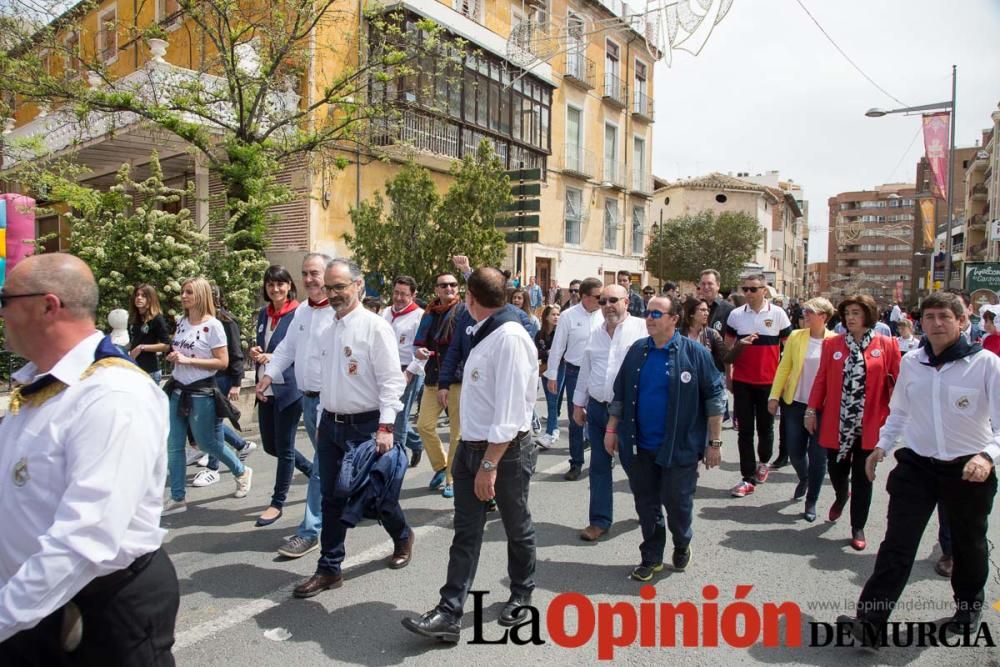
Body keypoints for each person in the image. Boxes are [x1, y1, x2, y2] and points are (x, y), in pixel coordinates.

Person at [0, 254, 179, 664]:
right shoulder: (40, 386)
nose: (2, 312)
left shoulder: (111, 395)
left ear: (48, 305)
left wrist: (5, 615)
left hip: (98, 614)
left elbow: (87, 538)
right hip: (35, 603)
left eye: (5, 299)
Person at [838, 291, 999, 644]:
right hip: (918, 468)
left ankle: (968, 605)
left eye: (945, 317)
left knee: (967, 543)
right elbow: (900, 412)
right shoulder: (913, 362)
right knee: (896, 545)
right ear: (920, 323)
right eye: (930, 317)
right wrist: (880, 446)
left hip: (968, 470)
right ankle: (870, 622)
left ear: (961, 321)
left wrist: (986, 456)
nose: (937, 324)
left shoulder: (986, 364)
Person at [402, 268, 538, 642]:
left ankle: (521, 590)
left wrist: (489, 466)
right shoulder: (483, 329)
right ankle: (449, 613)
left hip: (502, 454)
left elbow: (510, 416)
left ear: (470, 297)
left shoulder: (509, 338)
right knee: (465, 532)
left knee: (515, 523)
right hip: (470, 447)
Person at [292, 258, 411, 599]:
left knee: (377, 497)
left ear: (358, 286)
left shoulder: (375, 328)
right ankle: (329, 568)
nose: (333, 294)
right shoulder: (328, 328)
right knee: (331, 497)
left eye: (340, 287)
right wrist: (321, 422)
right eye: (328, 288)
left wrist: (386, 427)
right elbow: (326, 379)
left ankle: (402, 536)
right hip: (330, 425)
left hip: (367, 427)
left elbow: (391, 383)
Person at [605, 294, 725, 581]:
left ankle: (682, 541)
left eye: (657, 314)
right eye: (648, 313)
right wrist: (611, 429)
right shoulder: (637, 351)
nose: (649, 318)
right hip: (640, 445)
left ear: (674, 319)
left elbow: (715, 398)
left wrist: (714, 443)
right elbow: (620, 395)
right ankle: (652, 556)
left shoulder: (695, 354)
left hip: (680, 447)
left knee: (677, 503)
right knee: (646, 503)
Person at [805, 294, 900, 551]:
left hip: (870, 424)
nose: (851, 318)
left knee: (863, 477)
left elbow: (897, 385)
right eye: (847, 314)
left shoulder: (887, 344)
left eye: (856, 313)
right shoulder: (833, 344)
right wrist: (811, 410)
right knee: (836, 471)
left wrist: (897, 420)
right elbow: (822, 380)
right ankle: (839, 495)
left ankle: (858, 525)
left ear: (868, 315)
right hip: (838, 422)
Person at [256, 253, 334, 559]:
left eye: (315, 273)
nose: (309, 279)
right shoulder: (302, 312)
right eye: (305, 274)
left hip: (338, 404)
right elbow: (287, 348)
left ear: (328, 276)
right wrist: (270, 375)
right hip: (310, 401)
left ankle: (310, 530)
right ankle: (318, 526)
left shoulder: (342, 313)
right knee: (325, 466)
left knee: (328, 467)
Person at [162, 277, 252, 514]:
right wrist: (174, 356)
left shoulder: (214, 326)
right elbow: (179, 350)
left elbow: (222, 362)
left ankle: (241, 471)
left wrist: (188, 360)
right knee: (174, 445)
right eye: (182, 292)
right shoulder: (182, 322)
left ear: (201, 295)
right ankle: (178, 497)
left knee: (206, 443)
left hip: (201, 392)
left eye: (189, 292)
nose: (183, 296)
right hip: (178, 388)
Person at [572, 284, 648, 541]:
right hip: (597, 409)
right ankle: (599, 521)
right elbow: (586, 369)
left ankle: (647, 508)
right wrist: (578, 403)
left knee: (632, 464)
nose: (607, 306)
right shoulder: (596, 332)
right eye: (603, 301)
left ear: (626, 301)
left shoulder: (641, 329)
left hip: (629, 413)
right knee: (599, 466)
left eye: (613, 300)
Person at [248, 265, 310, 528]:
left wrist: (273, 357)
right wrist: (257, 352)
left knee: (284, 448)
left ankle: (277, 503)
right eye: (270, 284)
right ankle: (313, 470)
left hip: (289, 389)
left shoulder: (299, 314)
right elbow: (266, 344)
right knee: (271, 446)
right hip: (266, 387)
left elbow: (300, 351)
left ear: (289, 286)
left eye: (280, 284)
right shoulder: (264, 314)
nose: (275, 289)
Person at [767, 297, 837, 522]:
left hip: (823, 408)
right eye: (804, 311)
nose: (804, 315)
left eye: (810, 312)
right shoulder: (796, 337)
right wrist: (774, 395)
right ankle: (804, 478)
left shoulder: (837, 341)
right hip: (795, 403)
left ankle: (812, 500)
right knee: (795, 451)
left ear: (824, 317)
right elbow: (784, 367)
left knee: (818, 456)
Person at [724, 273, 793, 498]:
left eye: (754, 289)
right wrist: (729, 376)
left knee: (765, 428)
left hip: (769, 383)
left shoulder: (778, 314)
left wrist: (785, 381)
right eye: (745, 289)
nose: (749, 293)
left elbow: (789, 349)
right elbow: (728, 349)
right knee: (744, 431)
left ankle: (763, 462)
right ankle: (747, 477)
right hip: (743, 381)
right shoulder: (735, 316)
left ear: (765, 290)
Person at [190, 284, 255, 486]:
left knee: (214, 423)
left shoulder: (226, 321)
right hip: (203, 378)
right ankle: (240, 445)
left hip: (222, 378)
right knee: (209, 422)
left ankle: (213, 467)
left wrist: (236, 382)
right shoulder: (198, 321)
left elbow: (235, 353)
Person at [544, 277, 605, 480]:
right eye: (598, 297)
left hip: (599, 371)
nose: (602, 301)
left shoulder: (605, 315)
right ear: (585, 297)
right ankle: (576, 463)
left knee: (601, 416)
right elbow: (558, 347)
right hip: (574, 373)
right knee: (575, 419)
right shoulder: (568, 316)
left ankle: (603, 457)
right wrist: (552, 374)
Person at [410, 272, 465, 492]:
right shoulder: (429, 313)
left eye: (452, 285)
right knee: (424, 426)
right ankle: (441, 466)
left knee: (456, 433)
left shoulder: (463, 311)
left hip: (456, 379)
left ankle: (452, 479)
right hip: (433, 378)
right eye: (443, 285)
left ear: (458, 288)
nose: (448, 288)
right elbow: (420, 345)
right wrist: (420, 352)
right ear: (436, 290)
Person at [384, 276, 425, 467]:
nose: (399, 298)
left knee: (398, 420)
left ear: (413, 295)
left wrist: (409, 373)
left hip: (407, 371)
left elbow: (423, 352)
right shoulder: (384, 313)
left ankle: (394, 468)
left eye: (404, 294)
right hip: (384, 371)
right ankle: (416, 443)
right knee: (385, 415)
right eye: (396, 293)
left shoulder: (420, 316)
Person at [127, 283, 170, 383]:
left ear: (151, 299)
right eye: (137, 295)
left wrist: (142, 347)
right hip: (134, 368)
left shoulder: (157, 319)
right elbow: (133, 341)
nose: (139, 298)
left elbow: (166, 345)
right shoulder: (133, 318)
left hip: (150, 371)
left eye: (143, 296)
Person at [534, 304, 563, 449]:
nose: (556, 317)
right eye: (553, 314)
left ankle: (550, 433)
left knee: (553, 401)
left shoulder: (561, 333)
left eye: (558, 314)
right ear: (546, 317)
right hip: (544, 369)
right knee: (550, 401)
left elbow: (561, 354)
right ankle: (555, 429)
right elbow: (537, 353)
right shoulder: (540, 334)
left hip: (558, 369)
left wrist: (550, 356)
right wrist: (548, 354)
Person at [680, 295, 727, 374]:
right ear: (691, 313)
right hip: (684, 380)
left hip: (706, 380)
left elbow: (726, 358)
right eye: (703, 310)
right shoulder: (678, 334)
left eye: (707, 310)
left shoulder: (712, 334)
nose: (707, 313)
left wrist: (739, 345)